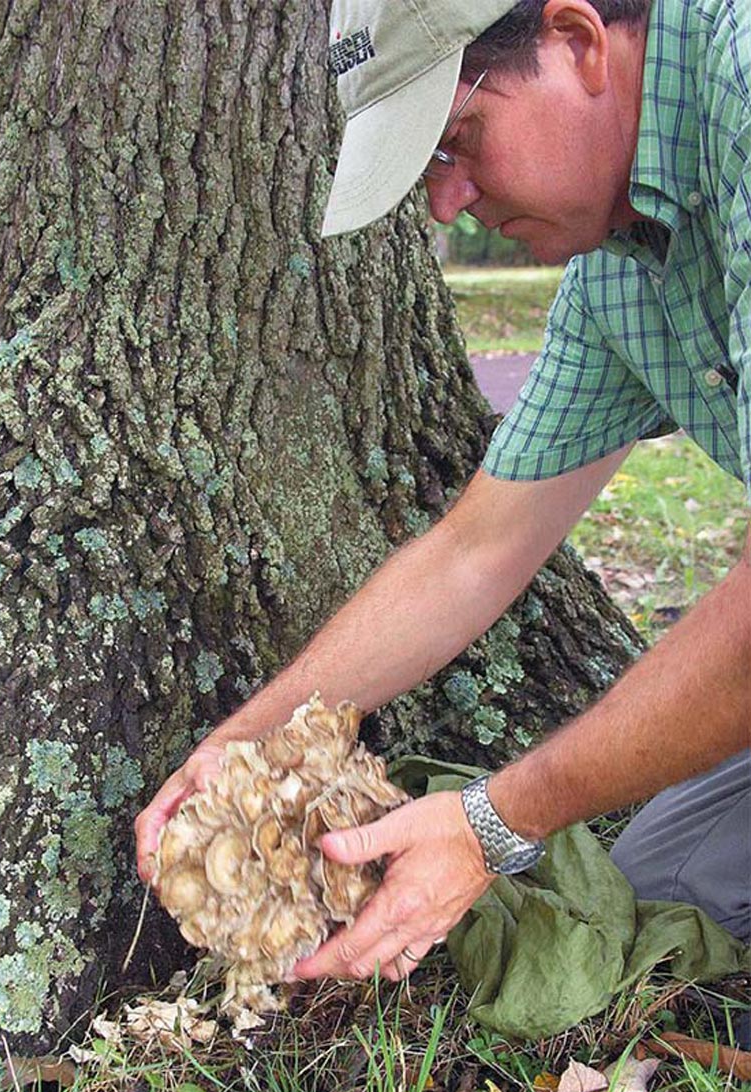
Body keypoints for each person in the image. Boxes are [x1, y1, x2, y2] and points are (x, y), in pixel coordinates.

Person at [136, 0, 750, 982]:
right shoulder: (617, 283)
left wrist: (493, 822)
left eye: (460, 140)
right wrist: (246, 744)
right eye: (429, 167)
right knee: (671, 905)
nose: (446, 203)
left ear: (579, 42)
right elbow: (477, 549)